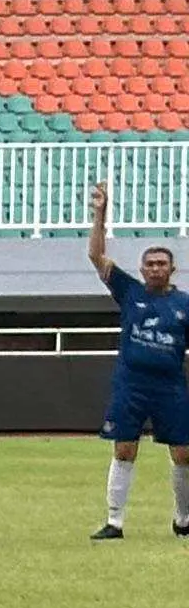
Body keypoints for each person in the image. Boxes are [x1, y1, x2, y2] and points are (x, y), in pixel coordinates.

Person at [82, 180, 189, 539]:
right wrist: (100, 214)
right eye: (150, 264)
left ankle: (184, 519)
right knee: (124, 448)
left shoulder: (184, 305)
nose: (155, 268)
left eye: (162, 263)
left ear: (172, 270)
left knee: (184, 453)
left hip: (170, 386)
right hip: (131, 382)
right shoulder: (129, 291)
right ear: (142, 270)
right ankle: (114, 521)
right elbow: (97, 257)